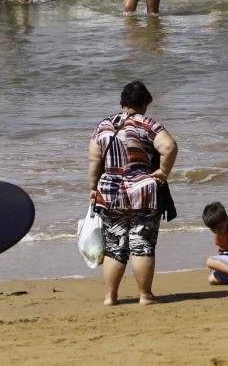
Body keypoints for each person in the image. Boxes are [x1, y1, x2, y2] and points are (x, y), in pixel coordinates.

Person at [87, 81, 178, 305]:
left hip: (110, 192)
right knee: (142, 244)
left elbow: (94, 160)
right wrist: (163, 171)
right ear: (144, 103)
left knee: (115, 247)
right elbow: (169, 147)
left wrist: (92, 188)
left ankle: (110, 296)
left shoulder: (104, 126)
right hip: (143, 192)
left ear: (123, 102)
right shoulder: (148, 125)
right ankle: (145, 295)